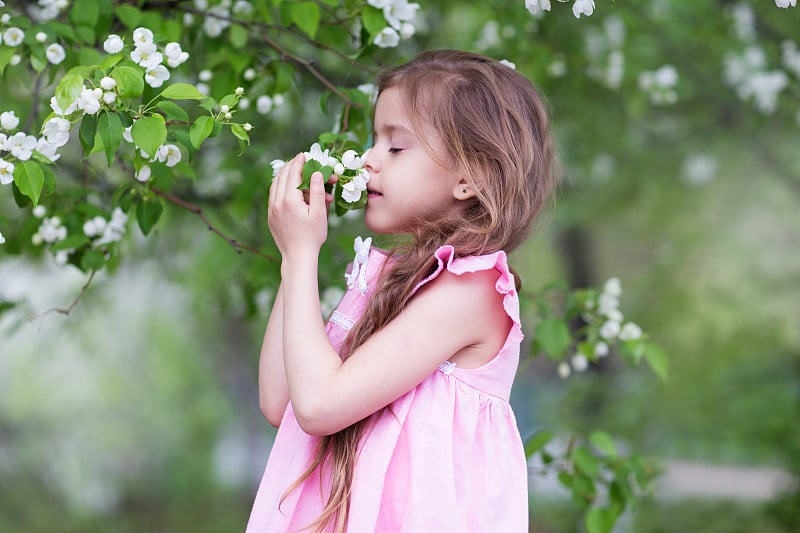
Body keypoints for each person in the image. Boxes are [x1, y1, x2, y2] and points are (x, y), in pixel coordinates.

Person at [247, 49, 556, 533]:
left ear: (470, 176)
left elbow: (318, 405)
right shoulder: (383, 278)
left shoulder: (471, 291)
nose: (370, 159)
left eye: (396, 147)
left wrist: (304, 256)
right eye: (375, 140)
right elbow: (280, 400)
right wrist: (294, 259)